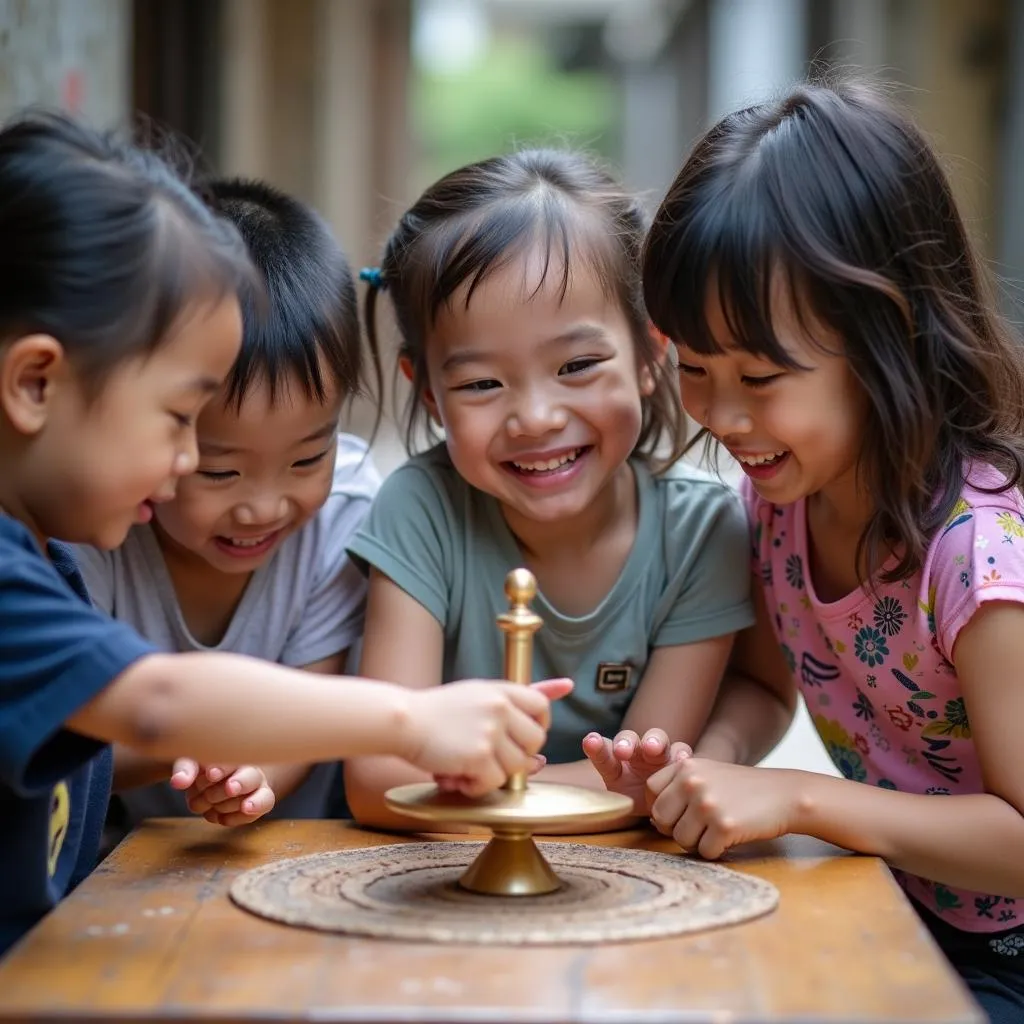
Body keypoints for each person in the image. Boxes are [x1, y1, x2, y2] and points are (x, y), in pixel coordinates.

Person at [0, 110, 568, 955]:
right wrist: (411, 724)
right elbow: (156, 704)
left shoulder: (44, 555)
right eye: (177, 420)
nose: (184, 459)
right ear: (36, 384)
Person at [632, 80, 1024, 1021]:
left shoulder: (978, 557)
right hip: (894, 898)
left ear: (887, 337)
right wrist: (706, 769)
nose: (724, 416)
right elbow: (769, 687)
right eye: (692, 368)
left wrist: (799, 800)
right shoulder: (779, 504)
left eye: (761, 376)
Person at [344, 148, 753, 832]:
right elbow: (378, 781)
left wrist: (463, 792)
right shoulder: (420, 511)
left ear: (652, 355)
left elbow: (652, 776)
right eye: (481, 384)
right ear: (431, 394)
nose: (536, 417)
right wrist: (610, 794)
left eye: (579, 365)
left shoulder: (700, 533)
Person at [75, 178, 381, 832]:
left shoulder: (346, 512)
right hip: (124, 858)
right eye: (220, 471)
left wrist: (249, 777)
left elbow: (313, 707)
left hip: (303, 842)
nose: (264, 506)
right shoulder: (94, 529)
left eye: (306, 458)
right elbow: (74, 743)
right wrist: (186, 748)